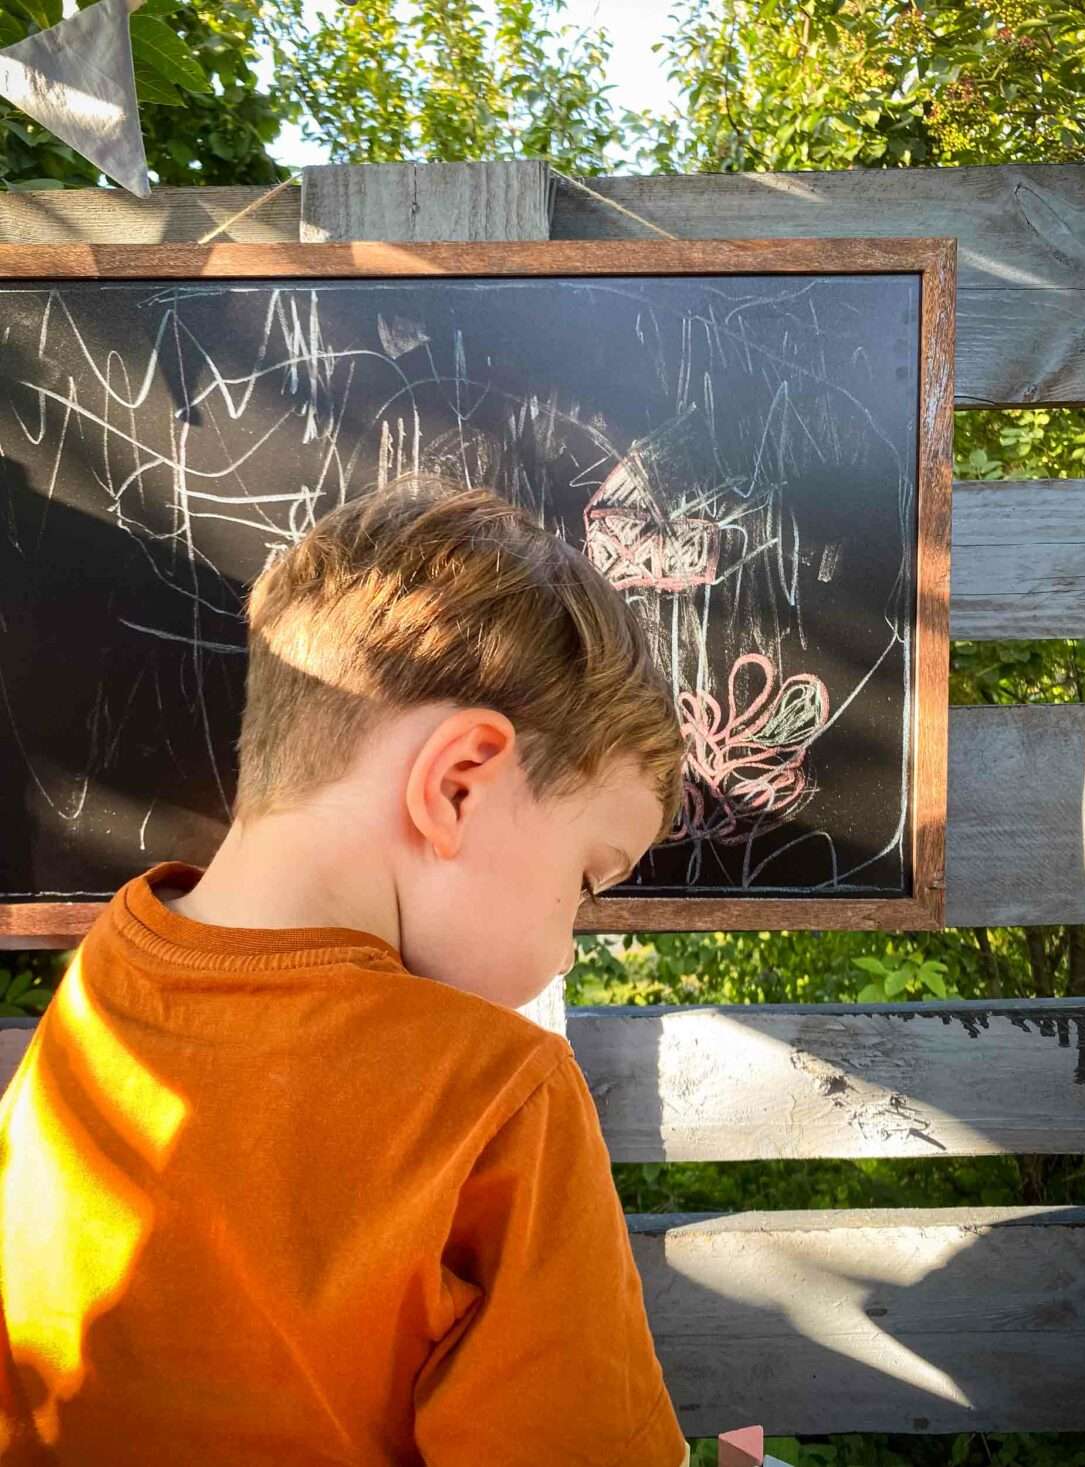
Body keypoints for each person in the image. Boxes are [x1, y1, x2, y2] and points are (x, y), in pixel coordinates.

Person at [0, 474, 691, 1466]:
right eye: (587, 878)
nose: (571, 938)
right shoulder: (497, 1095)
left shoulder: (108, 984)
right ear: (458, 785)